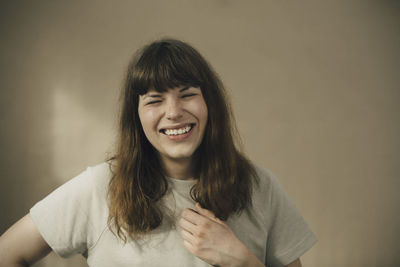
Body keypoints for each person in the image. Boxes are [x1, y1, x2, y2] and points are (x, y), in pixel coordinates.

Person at [0, 39, 317, 267]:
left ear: (210, 105)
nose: (174, 112)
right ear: (136, 117)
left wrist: (243, 262)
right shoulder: (99, 188)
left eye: (187, 95)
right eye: (154, 100)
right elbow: (7, 253)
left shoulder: (261, 187)